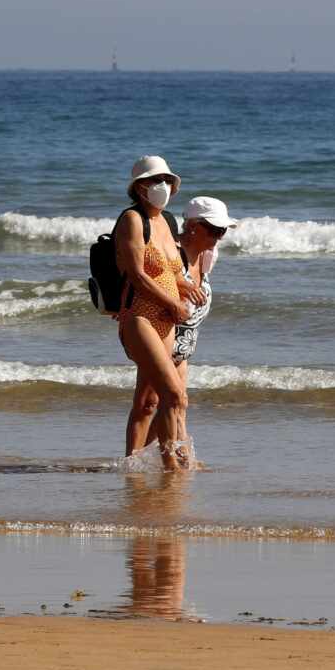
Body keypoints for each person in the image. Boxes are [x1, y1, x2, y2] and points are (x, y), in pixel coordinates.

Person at [114, 155, 206, 466]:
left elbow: (171, 271)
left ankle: (132, 466)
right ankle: (173, 469)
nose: (163, 186)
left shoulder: (165, 222)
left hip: (167, 321)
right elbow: (138, 274)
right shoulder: (132, 220)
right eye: (156, 181)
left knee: (149, 402)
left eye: (167, 181)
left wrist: (187, 287)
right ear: (140, 188)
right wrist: (171, 303)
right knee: (175, 395)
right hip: (139, 317)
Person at [168, 195, 237, 387]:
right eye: (214, 230)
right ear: (192, 225)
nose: (219, 236)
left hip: (183, 349)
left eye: (222, 231)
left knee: (176, 404)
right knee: (150, 403)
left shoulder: (209, 255)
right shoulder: (171, 252)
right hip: (160, 342)